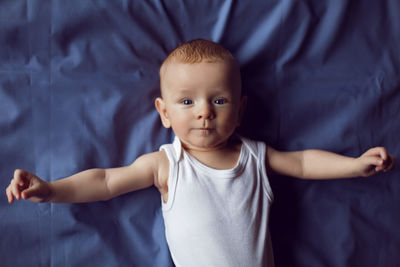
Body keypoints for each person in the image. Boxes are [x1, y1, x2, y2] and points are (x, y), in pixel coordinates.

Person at [6, 39, 395, 267]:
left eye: (219, 100)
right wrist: (51, 189)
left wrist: (354, 165)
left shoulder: (256, 157)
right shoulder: (167, 165)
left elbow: (305, 162)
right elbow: (106, 181)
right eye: (187, 101)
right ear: (164, 114)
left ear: (240, 111)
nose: (205, 111)